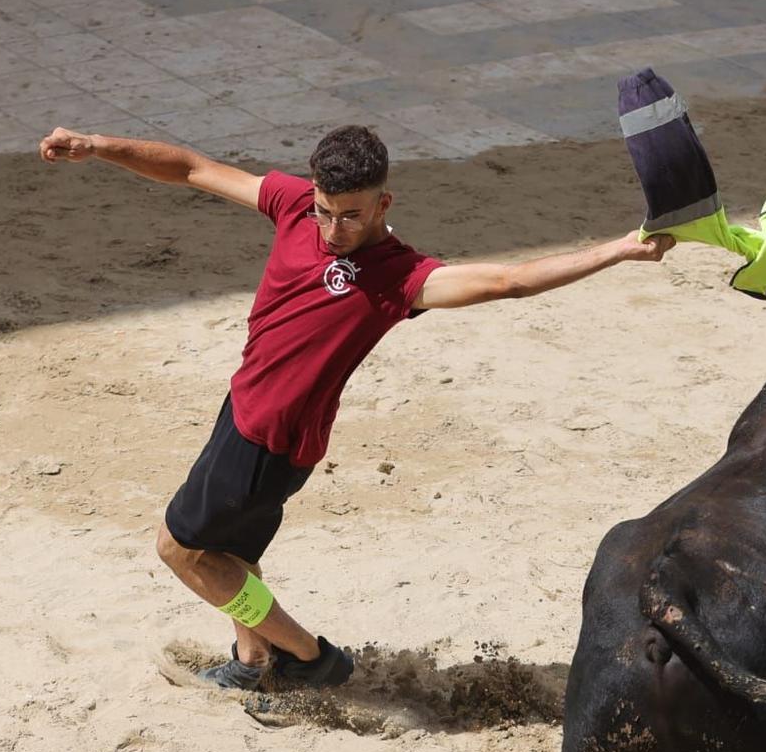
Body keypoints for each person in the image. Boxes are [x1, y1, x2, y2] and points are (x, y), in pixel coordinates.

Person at [39, 122, 673, 691]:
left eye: (350, 215)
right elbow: (191, 168)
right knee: (234, 556)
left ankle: (311, 658)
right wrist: (97, 146)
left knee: (179, 550)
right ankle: (254, 662)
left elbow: (506, 283)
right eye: (325, 212)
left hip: (267, 440)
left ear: (383, 204)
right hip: (246, 415)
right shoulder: (291, 204)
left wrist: (616, 248)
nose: (334, 229)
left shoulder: (401, 277)